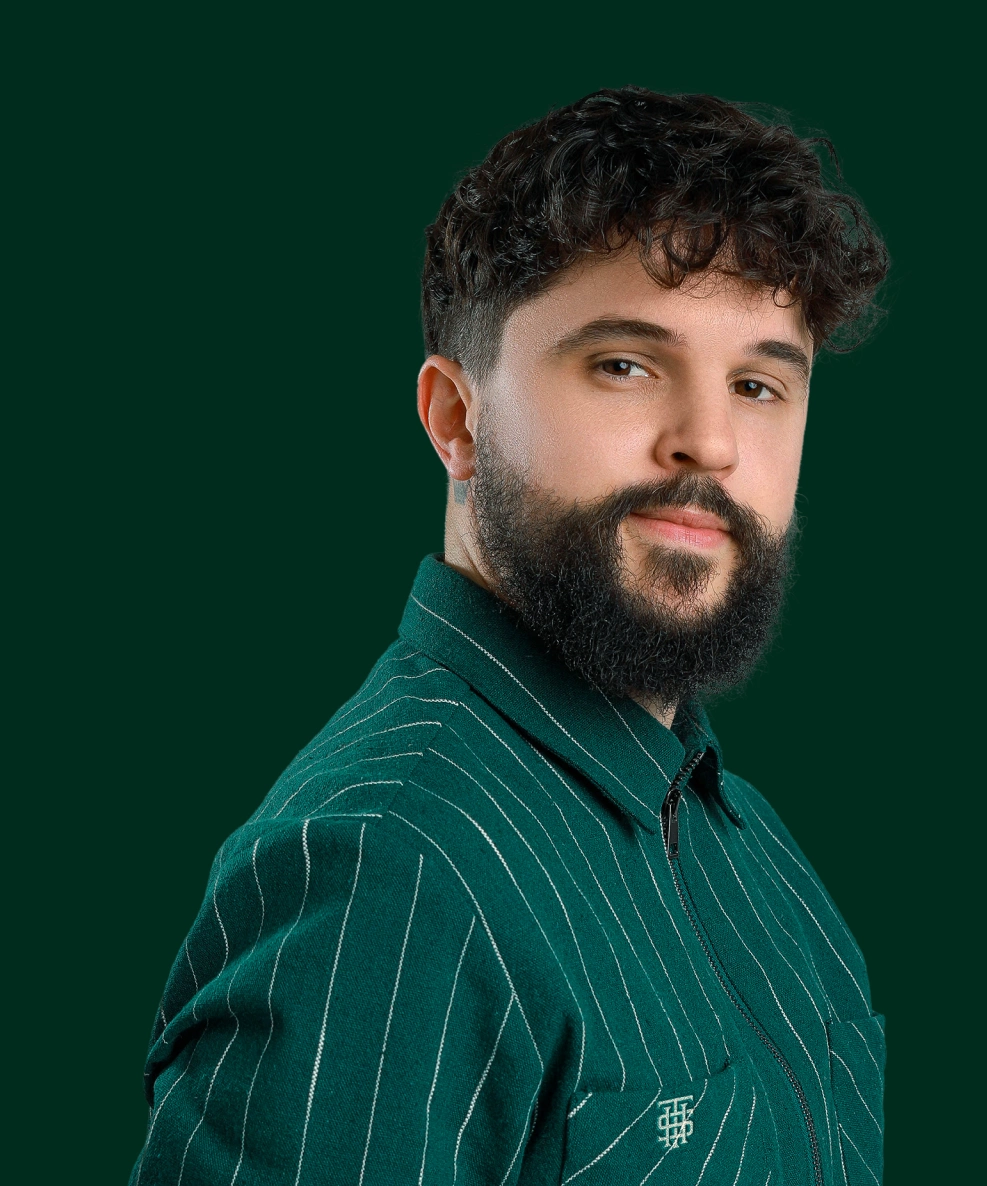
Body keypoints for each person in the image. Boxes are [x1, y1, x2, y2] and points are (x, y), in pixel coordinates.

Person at [130, 85, 889, 1185]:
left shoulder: (746, 845)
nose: (710, 442)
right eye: (625, 364)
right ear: (457, 419)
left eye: (759, 384)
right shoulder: (387, 870)